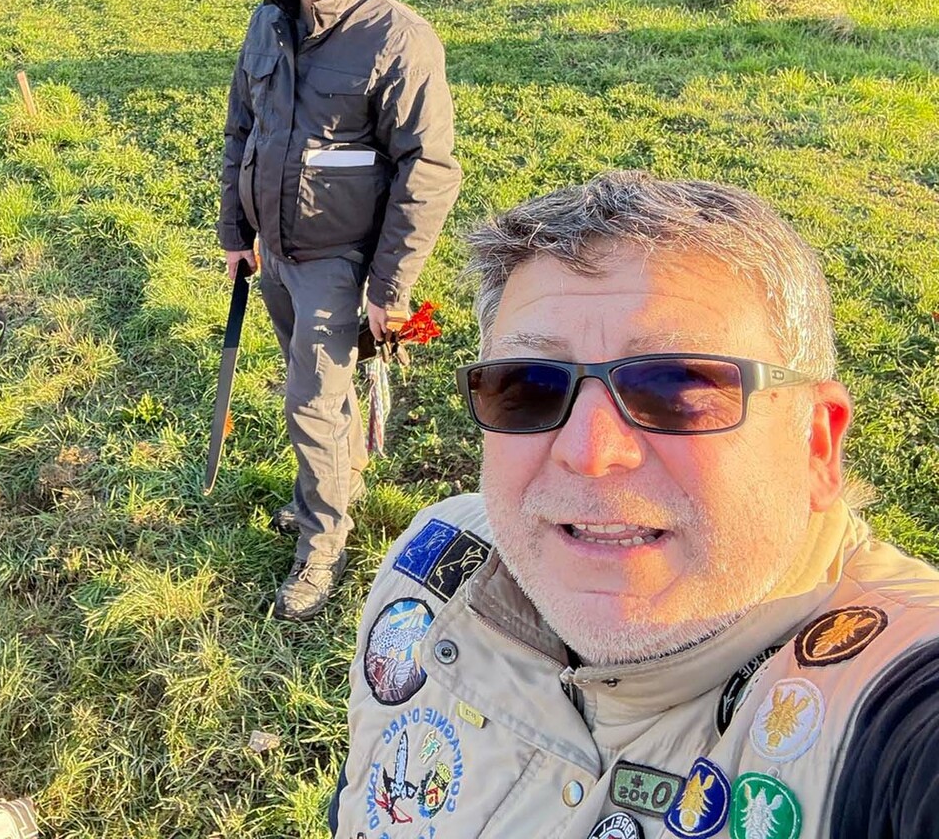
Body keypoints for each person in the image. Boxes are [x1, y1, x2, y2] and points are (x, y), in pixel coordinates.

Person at [333, 171, 939, 838]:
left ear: (816, 444)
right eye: (530, 385)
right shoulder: (434, 566)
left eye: (676, 388)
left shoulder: (894, 710)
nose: (590, 452)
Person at [217, 0, 462, 621]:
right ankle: (338, 484)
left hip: (341, 260)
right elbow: (242, 128)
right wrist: (236, 232)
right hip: (276, 253)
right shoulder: (268, 23)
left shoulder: (399, 39)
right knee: (320, 391)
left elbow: (430, 170)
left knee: (311, 403)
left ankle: (322, 542)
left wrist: (389, 288)